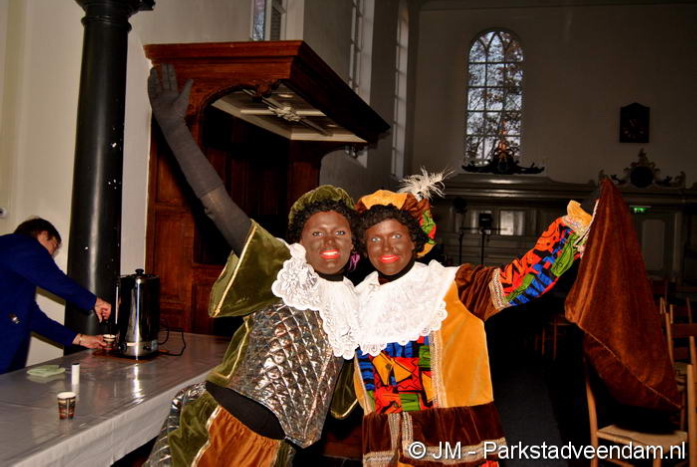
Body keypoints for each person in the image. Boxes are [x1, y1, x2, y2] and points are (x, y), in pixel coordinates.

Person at [145, 65, 361, 466]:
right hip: (221, 433)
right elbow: (217, 205)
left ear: (353, 245)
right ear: (300, 242)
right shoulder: (282, 270)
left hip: (278, 452)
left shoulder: (353, 305)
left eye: (340, 233)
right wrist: (175, 129)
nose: (329, 241)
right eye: (317, 233)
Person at [350, 171, 592, 466]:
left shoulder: (455, 284)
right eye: (375, 239)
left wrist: (570, 233)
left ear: (414, 240)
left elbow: (520, 282)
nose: (386, 247)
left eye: (396, 236)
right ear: (365, 248)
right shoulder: (356, 300)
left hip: (451, 441)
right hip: (385, 446)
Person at [0, 218, 112, 374]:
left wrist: (81, 339)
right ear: (44, 234)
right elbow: (53, 279)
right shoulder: (21, 244)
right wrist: (94, 301)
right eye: (54, 247)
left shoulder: (11, 265)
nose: (51, 256)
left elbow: (32, 317)